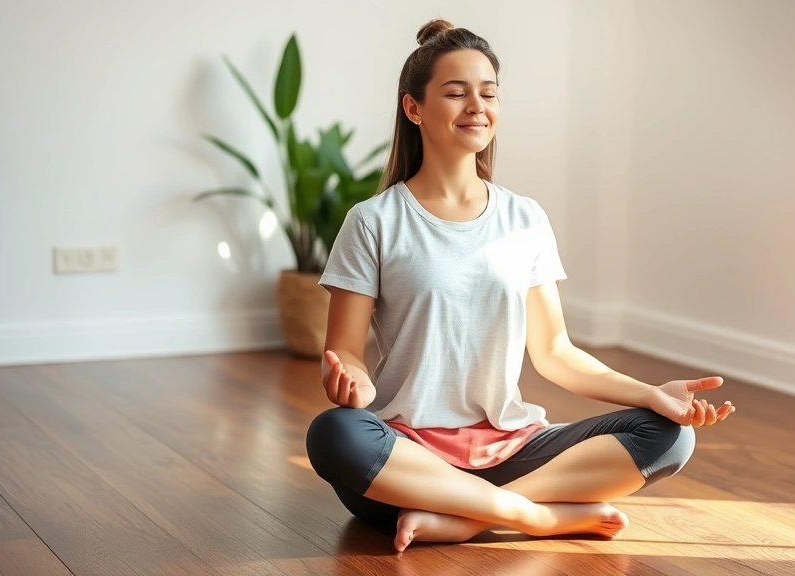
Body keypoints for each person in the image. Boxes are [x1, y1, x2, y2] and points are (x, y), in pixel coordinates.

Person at [306, 18, 735, 553]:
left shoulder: (524, 217)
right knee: (334, 434)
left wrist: (652, 394)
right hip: (409, 452)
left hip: (511, 450)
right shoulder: (373, 222)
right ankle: (533, 515)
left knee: (671, 435)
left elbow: (555, 352)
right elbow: (345, 352)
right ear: (413, 108)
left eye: (488, 93)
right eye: (456, 92)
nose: (477, 106)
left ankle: (463, 517)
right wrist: (356, 386)